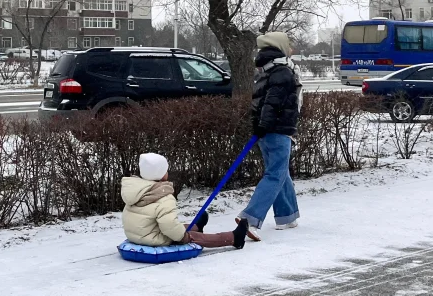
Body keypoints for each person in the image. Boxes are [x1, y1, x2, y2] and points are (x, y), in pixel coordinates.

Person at [237, 32, 302, 236]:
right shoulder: (282, 71)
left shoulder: (265, 71)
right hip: (277, 129)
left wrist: (260, 126)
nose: (291, 48)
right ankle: (250, 218)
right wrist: (265, 125)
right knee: (275, 174)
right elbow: (273, 102)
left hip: (266, 131)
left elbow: (261, 102)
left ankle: (287, 216)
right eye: (288, 44)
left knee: (281, 172)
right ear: (280, 47)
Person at [122, 152, 250, 250]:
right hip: (154, 239)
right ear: (161, 174)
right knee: (190, 236)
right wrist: (182, 237)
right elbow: (169, 224)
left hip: (137, 234)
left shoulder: (137, 189)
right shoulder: (163, 196)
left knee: (174, 226)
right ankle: (233, 238)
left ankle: (196, 226)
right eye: (165, 170)